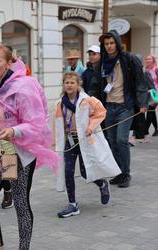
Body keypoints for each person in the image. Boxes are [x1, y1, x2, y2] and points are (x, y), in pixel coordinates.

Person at [0, 44, 58, 250]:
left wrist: (15, 131)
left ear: (9, 63)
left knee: (20, 204)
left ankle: (23, 247)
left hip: (15, 156)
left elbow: (37, 123)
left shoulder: (22, 88)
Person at [54, 72, 120, 218]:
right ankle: (72, 204)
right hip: (69, 142)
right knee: (68, 171)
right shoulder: (59, 104)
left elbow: (100, 112)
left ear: (78, 85)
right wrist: (57, 142)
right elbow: (58, 125)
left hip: (85, 141)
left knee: (85, 173)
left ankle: (102, 184)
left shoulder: (88, 101)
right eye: (67, 83)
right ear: (63, 85)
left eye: (72, 83)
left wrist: (91, 126)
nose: (69, 85)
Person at [89, 30, 148, 188]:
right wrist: (89, 103)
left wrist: (143, 103)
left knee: (122, 140)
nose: (109, 46)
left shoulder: (129, 59)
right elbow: (95, 85)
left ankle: (126, 173)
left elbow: (140, 81)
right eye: (106, 44)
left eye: (111, 43)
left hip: (125, 106)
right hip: (108, 108)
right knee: (112, 142)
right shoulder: (102, 63)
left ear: (117, 43)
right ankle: (118, 172)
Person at [144, 54, 158, 137]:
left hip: (156, 93)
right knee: (151, 111)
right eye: (146, 59)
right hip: (150, 93)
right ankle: (156, 129)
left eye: (149, 59)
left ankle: (144, 131)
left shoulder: (156, 69)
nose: (147, 60)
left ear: (153, 60)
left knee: (150, 110)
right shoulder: (146, 70)